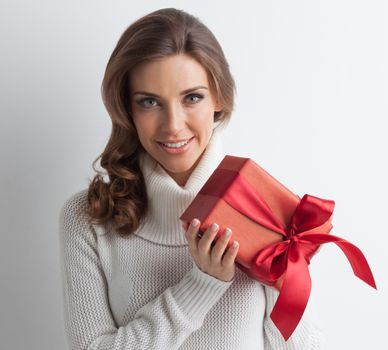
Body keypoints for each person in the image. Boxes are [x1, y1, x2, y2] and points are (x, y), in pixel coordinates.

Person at [58, 7, 324, 350]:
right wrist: (202, 285)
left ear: (218, 99)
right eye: (150, 101)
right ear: (127, 108)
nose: (173, 125)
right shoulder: (89, 217)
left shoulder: (263, 205)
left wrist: (282, 277)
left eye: (192, 98)